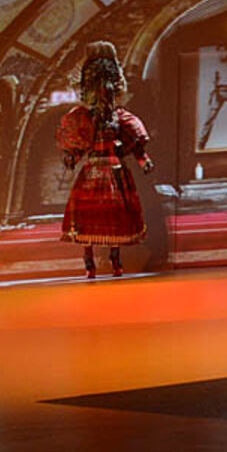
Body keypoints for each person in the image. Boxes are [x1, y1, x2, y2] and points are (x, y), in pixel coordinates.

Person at [56, 41, 155, 278]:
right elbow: (79, 145)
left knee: (115, 216)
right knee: (90, 216)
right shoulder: (82, 118)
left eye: (107, 90)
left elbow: (135, 144)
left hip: (115, 170)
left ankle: (114, 258)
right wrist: (72, 156)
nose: (103, 94)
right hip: (94, 170)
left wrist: (143, 160)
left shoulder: (122, 119)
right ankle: (89, 259)